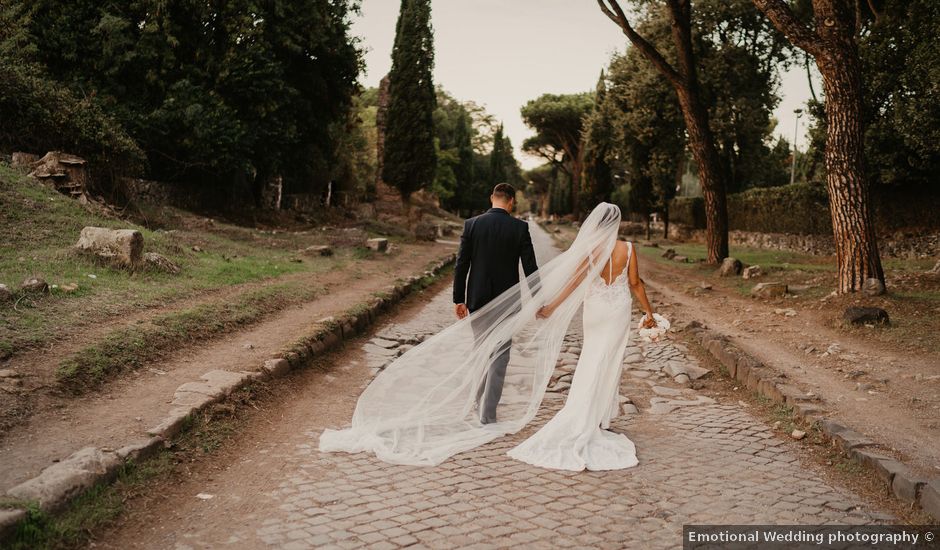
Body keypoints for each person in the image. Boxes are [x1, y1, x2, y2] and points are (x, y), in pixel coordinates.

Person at [319, 202, 661, 469]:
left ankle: (583, 414)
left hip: (595, 312)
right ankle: (601, 417)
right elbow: (635, 284)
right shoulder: (628, 248)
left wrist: (550, 307)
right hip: (618, 311)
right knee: (610, 360)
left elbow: (574, 284)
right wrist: (647, 312)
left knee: (591, 359)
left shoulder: (590, 251)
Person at [452, 183, 539, 424]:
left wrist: (459, 298)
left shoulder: (472, 225)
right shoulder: (520, 228)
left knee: (480, 351)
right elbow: (530, 269)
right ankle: (487, 414)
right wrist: (538, 299)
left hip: (477, 300)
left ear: (492, 198)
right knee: (499, 357)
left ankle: (476, 402)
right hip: (508, 303)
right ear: (511, 201)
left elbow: (461, 265)